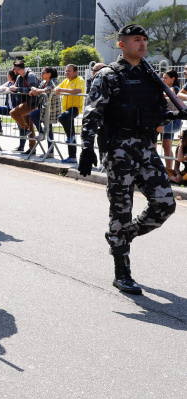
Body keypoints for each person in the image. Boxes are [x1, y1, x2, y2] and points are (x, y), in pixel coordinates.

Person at [78, 24, 180, 295]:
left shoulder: (151, 77)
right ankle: (122, 272)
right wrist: (86, 147)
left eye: (145, 39)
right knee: (121, 208)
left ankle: (122, 235)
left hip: (147, 148)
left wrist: (175, 115)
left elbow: (155, 113)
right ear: (122, 44)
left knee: (165, 204)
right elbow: (92, 112)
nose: (143, 43)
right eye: (137, 40)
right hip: (119, 149)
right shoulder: (109, 75)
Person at [56, 64, 86, 164]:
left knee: (62, 118)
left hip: (75, 108)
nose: (66, 73)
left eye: (69, 71)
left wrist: (61, 90)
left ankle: (71, 136)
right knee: (69, 134)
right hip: (66, 108)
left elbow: (77, 90)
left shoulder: (79, 79)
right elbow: (57, 88)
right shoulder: (66, 81)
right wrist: (57, 89)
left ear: (75, 72)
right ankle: (72, 157)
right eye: (66, 71)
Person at [8, 60, 41, 151]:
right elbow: (16, 87)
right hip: (24, 102)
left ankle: (25, 129)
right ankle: (32, 149)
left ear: (18, 69)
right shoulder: (19, 77)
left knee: (13, 113)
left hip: (32, 103)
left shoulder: (31, 75)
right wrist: (13, 88)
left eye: (14, 69)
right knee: (31, 126)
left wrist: (17, 88)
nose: (13, 71)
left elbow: (32, 90)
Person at [27, 66, 60, 157]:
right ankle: (42, 133)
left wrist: (37, 90)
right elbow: (39, 89)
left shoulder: (54, 81)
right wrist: (33, 91)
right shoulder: (44, 82)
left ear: (49, 74)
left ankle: (50, 151)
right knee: (46, 126)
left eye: (43, 72)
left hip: (51, 108)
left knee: (48, 128)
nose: (41, 74)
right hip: (43, 107)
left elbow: (49, 90)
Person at [160, 70, 182, 181]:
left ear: (172, 79)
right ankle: (169, 172)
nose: (163, 80)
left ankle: (168, 170)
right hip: (166, 121)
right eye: (162, 78)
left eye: (165, 78)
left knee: (154, 127)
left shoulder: (175, 89)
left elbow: (170, 93)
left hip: (173, 122)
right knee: (166, 146)